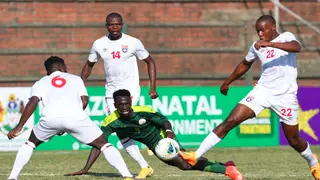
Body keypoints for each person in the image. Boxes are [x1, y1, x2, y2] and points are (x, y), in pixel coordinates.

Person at [179, 15, 320, 179]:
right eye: (257, 31)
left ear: (272, 28)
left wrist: (271, 44)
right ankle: (195, 155)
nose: (260, 34)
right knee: (230, 121)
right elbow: (245, 64)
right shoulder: (256, 46)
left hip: (285, 97)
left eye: (263, 30)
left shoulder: (286, 37)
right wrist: (227, 82)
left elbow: (297, 47)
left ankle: (312, 161)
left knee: (294, 140)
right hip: (262, 92)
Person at [7, 56, 136, 180]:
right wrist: (70, 119)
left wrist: (19, 126)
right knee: (104, 145)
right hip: (76, 117)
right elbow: (84, 101)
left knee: (30, 144)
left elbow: (32, 103)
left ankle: (13, 176)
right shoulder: (76, 79)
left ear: (48, 71)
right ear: (62, 67)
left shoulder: (40, 82)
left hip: (50, 119)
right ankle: (127, 176)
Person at [68, 89, 244, 180]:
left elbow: (164, 120)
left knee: (186, 164)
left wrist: (169, 132)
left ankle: (228, 170)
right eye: (119, 105)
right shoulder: (111, 122)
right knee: (186, 164)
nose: (124, 107)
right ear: (114, 105)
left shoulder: (143, 111)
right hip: (153, 145)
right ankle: (225, 165)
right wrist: (86, 169)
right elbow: (100, 146)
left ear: (130, 101)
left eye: (126, 103)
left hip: (162, 140)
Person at [80, 12, 157, 178]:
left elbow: (150, 61)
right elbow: (89, 65)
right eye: (111, 24)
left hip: (131, 91)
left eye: (117, 24)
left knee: (122, 127)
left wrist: (152, 87)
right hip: (111, 93)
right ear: (106, 25)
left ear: (122, 24)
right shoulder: (99, 44)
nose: (114, 27)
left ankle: (146, 158)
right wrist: (79, 85)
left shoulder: (133, 42)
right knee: (121, 128)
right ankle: (146, 160)